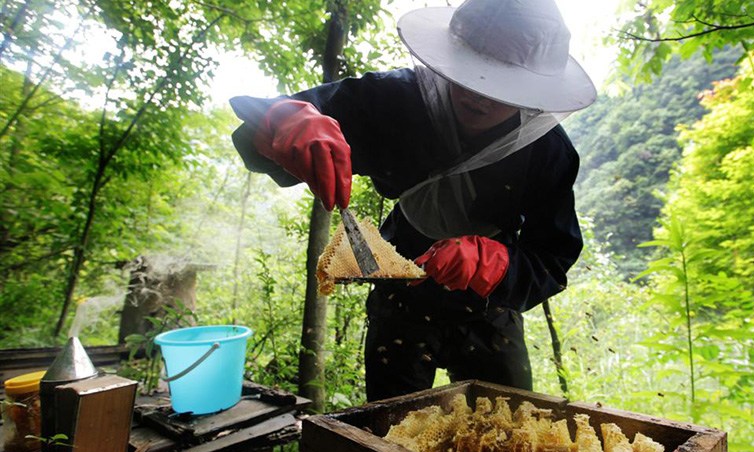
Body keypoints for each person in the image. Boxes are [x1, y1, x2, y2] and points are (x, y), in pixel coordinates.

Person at [230, 0, 596, 401]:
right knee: (390, 434)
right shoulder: (392, 99)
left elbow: (552, 256)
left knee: (509, 434)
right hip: (399, 291)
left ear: (532, 90)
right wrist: (282, 122)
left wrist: (497, 265)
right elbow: (258, 128)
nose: (479, 95)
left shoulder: (547, 150)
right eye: (471, 74)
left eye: (499, 85)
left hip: (488, 311)